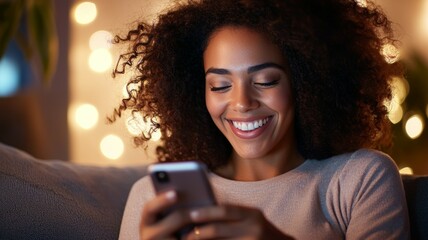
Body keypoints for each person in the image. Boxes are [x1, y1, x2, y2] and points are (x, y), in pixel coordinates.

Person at [111, 0, 410, 239]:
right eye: (220, 86)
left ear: (305, 83)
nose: (242, 103)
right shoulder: (155, 199)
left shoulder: (360, 179)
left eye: (266, 81)